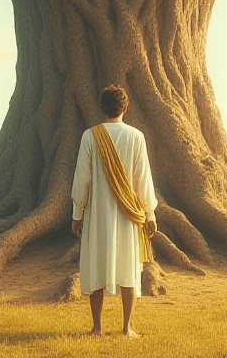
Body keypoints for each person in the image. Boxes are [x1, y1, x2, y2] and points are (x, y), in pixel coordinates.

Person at [70, 85, 158, 338]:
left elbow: (82, 179)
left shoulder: (90, 136)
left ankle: (96, 328)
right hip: (128, 215)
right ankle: (127, 328)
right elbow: (143, 180)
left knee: (96, 267)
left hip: (97, 215)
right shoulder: (135, 136)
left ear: (101, 107)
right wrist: (149, 213)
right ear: (125, 107)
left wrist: (78, 212)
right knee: (128, 270)